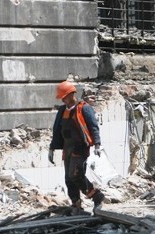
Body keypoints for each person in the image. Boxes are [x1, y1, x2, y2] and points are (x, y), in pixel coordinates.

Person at [48, 80, 105, 213]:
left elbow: (93, 126)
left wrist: (97, 144)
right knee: (68, 178)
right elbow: (57, 130)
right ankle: (76, 203)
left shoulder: (84, 108)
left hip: (80, 147)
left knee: (76, 175)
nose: (63, 100)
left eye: (64, 97)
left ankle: (96, 196)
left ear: (71, 94)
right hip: (67, 148)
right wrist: (52, 148)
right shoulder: (62, 110)